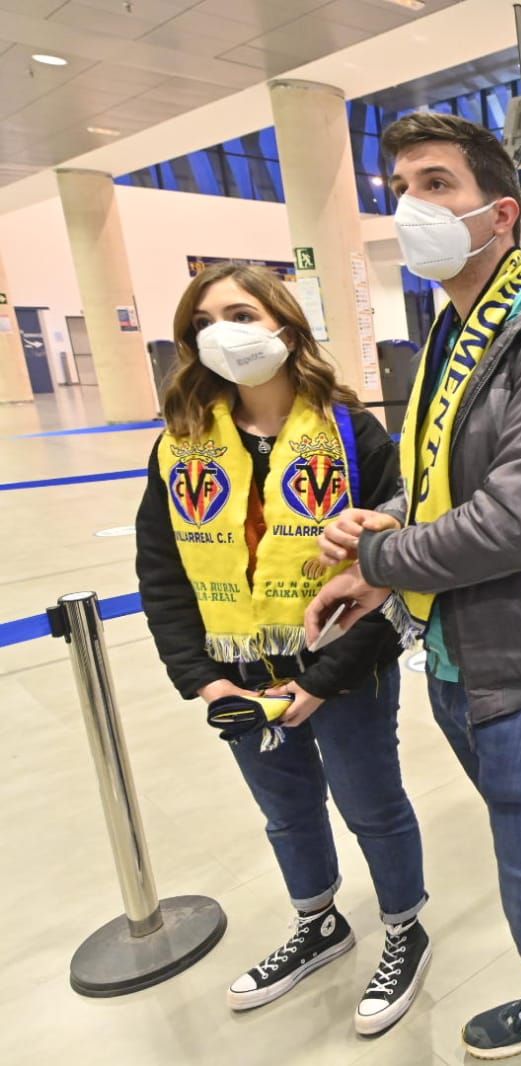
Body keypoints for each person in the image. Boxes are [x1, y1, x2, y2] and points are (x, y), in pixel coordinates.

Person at [310, 112, 521, 1065]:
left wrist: (379, 563)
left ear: (499, 213)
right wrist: (390, 535)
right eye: (400, 187)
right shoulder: (458, 332)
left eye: (435, 184)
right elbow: (446, 489)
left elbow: (512, 521)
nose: (410, 205)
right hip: (466, 652)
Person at [134, 263, 428, 1035]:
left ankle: (404, 927)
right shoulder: (182, 446)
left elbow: (386, 561)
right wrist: (205, 684)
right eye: (202, 322)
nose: (220, 332)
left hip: (344, 663)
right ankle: (319, 923)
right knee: (288, 813)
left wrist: (324, 679)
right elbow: (161, 571)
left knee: (372, 805)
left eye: (238, 312)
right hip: (240, 674)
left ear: (283, 325)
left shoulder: (349, 432)